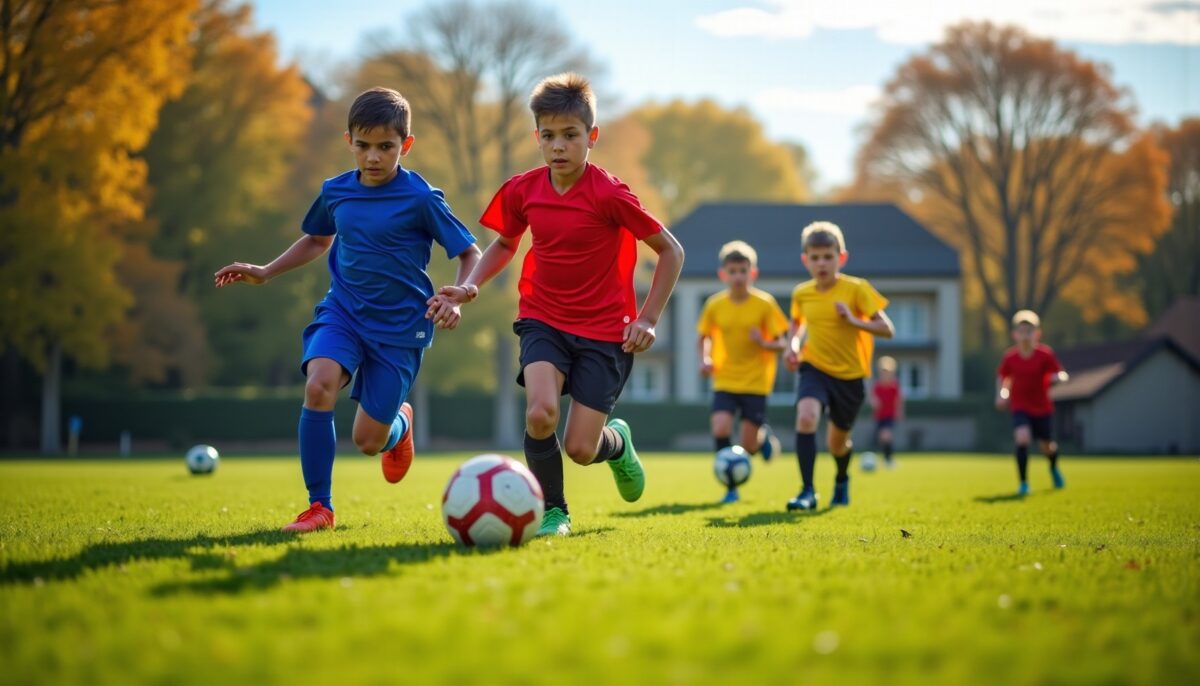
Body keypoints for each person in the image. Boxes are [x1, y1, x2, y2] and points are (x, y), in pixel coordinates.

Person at [427, 73, 684, 536]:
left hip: (606, 332)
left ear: (592, 137)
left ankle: (618, 444)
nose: (558, 146)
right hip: (542, 318)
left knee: (581, 448)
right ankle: (554, 511)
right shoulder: (524, 190)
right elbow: (505, 245)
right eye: (548, 136)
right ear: (537, 138)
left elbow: (672, 251)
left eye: (570, 135)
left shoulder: (610, 195)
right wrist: (470, 287)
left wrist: (647, 319)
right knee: (540, 412)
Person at [215, 87, 481, 532]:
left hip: (400, 328)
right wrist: (266, 270)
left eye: (386, 147)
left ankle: (399, 424)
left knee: (367, 440)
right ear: (349, 141)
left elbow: (470, 253)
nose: (373, 157)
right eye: (363, 145)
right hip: (344, 312)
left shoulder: (422, 198)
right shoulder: (336, 190)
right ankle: (320, 507)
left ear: (406, 145)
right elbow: (318, 240)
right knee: (319, 385)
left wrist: (462, 292)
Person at [783, 222, 894, 510]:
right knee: (806, 417)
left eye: (828, 256)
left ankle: (842, 478)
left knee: (837, 444)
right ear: (805, 260)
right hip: (814, 368)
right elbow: (796, 327)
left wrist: (853, 321)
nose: (821, 263)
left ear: (841, 257)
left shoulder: (857, 289)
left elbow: (887, 328)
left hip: (850, 377)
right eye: (815, 257)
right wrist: (792, 347)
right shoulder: (801, 294)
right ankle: (807, 491)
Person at [697, 240, 788, 503]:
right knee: (720, 427)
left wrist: (763, 342)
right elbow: (702, 337)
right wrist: (704, 360)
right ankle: (730, 488)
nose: (738, 277)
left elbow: (783, 342)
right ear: (722, 274)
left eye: (743, 271)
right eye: (733, 271)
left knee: (749, 445)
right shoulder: (714, 305)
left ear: (753, 273)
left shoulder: (765, 304)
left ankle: (763, 437)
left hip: (756, 382)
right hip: (724, 379)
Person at [995, 309, 1069, 495]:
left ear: (1037, 333)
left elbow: (1060, 373)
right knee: (1022, 438)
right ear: (1015, 334)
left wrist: (1059, 377)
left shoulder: (1045, 355)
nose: (1025, 335)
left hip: (1042, 408)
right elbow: (1003, 378)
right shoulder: (1010, 357)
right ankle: (1024, 484)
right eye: (1021, 331)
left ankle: (1053, 468)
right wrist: (1002, 394)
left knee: (1048, 447)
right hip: (1020, 406)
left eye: (1029, 331)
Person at [868, 355, 903, 469]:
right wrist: (874, 402)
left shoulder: (894, 386)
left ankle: (889, 459)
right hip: (879, 416)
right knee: (882, 438)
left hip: (890, 416)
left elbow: (898, 400)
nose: (885, 374)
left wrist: (899, 412)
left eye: (887, 372)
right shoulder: (877, 386)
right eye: (883, 372)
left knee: (886, 435)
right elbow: (872, 398)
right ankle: (886, 459)